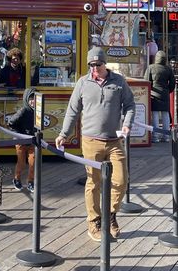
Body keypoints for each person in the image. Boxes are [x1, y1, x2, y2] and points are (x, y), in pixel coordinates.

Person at [55, 47, 135, 243]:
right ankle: (94, 221)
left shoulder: (118, 81)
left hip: (114, 141)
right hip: (90, 141)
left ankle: (111, 214)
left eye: (98, 65)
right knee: (93, 183)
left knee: (121, 180)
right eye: (91, 65)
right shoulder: (83, 83)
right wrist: (64, 134)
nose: (94, 68)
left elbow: (130, 104)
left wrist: (126, 125)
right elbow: (73, 110)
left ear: (104, 64)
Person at [6, 87, 36, 192]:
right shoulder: (23, 111)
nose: (33, 102)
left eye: (35, 99)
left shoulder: (37, 112)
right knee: (21, 162)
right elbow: (11, 122)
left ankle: (31, 182)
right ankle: (16, 179)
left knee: (33, 162)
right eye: (31, 99)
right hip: (21, 141)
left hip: (32, 141)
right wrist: (19, 134)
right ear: (26, 99)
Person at [143, 50, 175, 143]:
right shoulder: (168, 69)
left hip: (154, 94)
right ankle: (166, 136)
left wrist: (150, 91)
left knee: (155, 115)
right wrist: (168, 90)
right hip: (165, 93)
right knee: (165, 115)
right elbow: (172, 83)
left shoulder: (151, 67)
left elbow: (146, 81)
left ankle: (155, 136)